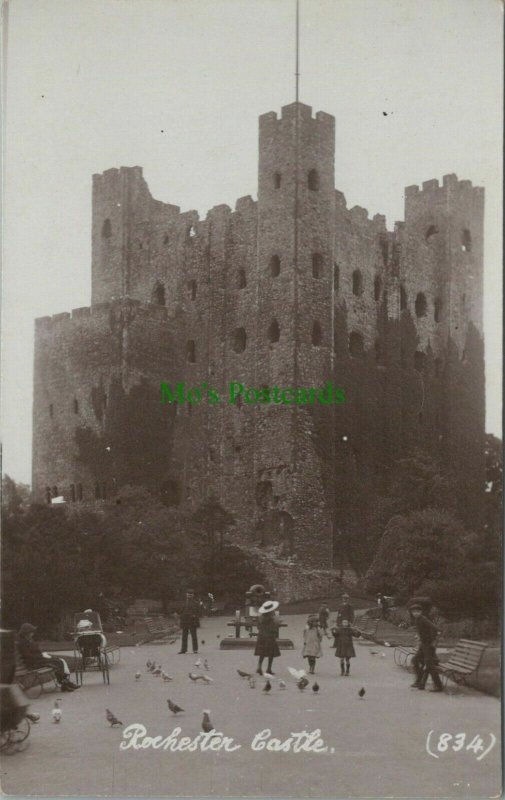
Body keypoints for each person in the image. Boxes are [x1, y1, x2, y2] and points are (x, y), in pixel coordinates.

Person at [17, 623, 79, 692]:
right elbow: (28, 656)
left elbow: (37, 651)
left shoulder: (30, 641)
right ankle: (65, 684)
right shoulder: (22, 643)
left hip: (39, 660)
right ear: (26, 633)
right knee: (57, 663)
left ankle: (66, 683)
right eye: (31, 632)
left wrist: (40, 655)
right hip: (33, 663)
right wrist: (39, 656)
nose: (32, 634)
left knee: (59, 661)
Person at [408, 602, 443, 692]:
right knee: (415, 660)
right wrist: (419, 636)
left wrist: (432, 640)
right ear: (411, 612)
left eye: (418, 611)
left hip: (428, 645)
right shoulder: (418, 620)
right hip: (423, 645)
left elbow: (435, 628)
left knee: (430, 665)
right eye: (414, 612)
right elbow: (422, 630)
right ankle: (419, 681)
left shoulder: (423, 619)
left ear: (421, 612)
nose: (415, 613)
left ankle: (439, 686)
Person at [254, 600, 281, 676]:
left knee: (262, 653)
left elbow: (258, 627)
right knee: (271, 653)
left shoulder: (261, 617)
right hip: (270, 637)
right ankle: (269, 668)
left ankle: (259, 667)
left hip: (261, 636)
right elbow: (274, 627)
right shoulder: (272, 618)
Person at [178, 589, 200, 654]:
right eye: (188, 593)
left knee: (194, 636)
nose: (189, 595)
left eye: (191, 594)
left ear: (193, 595)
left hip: (192, 621)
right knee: (184, 636)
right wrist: (180, 616)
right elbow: (180, 611)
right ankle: (183, 649)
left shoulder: (196, 603)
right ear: (186, 594)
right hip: (184, 621)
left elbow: (199, 612)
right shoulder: (183, 602)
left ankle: (195, 649)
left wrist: (195, 616)